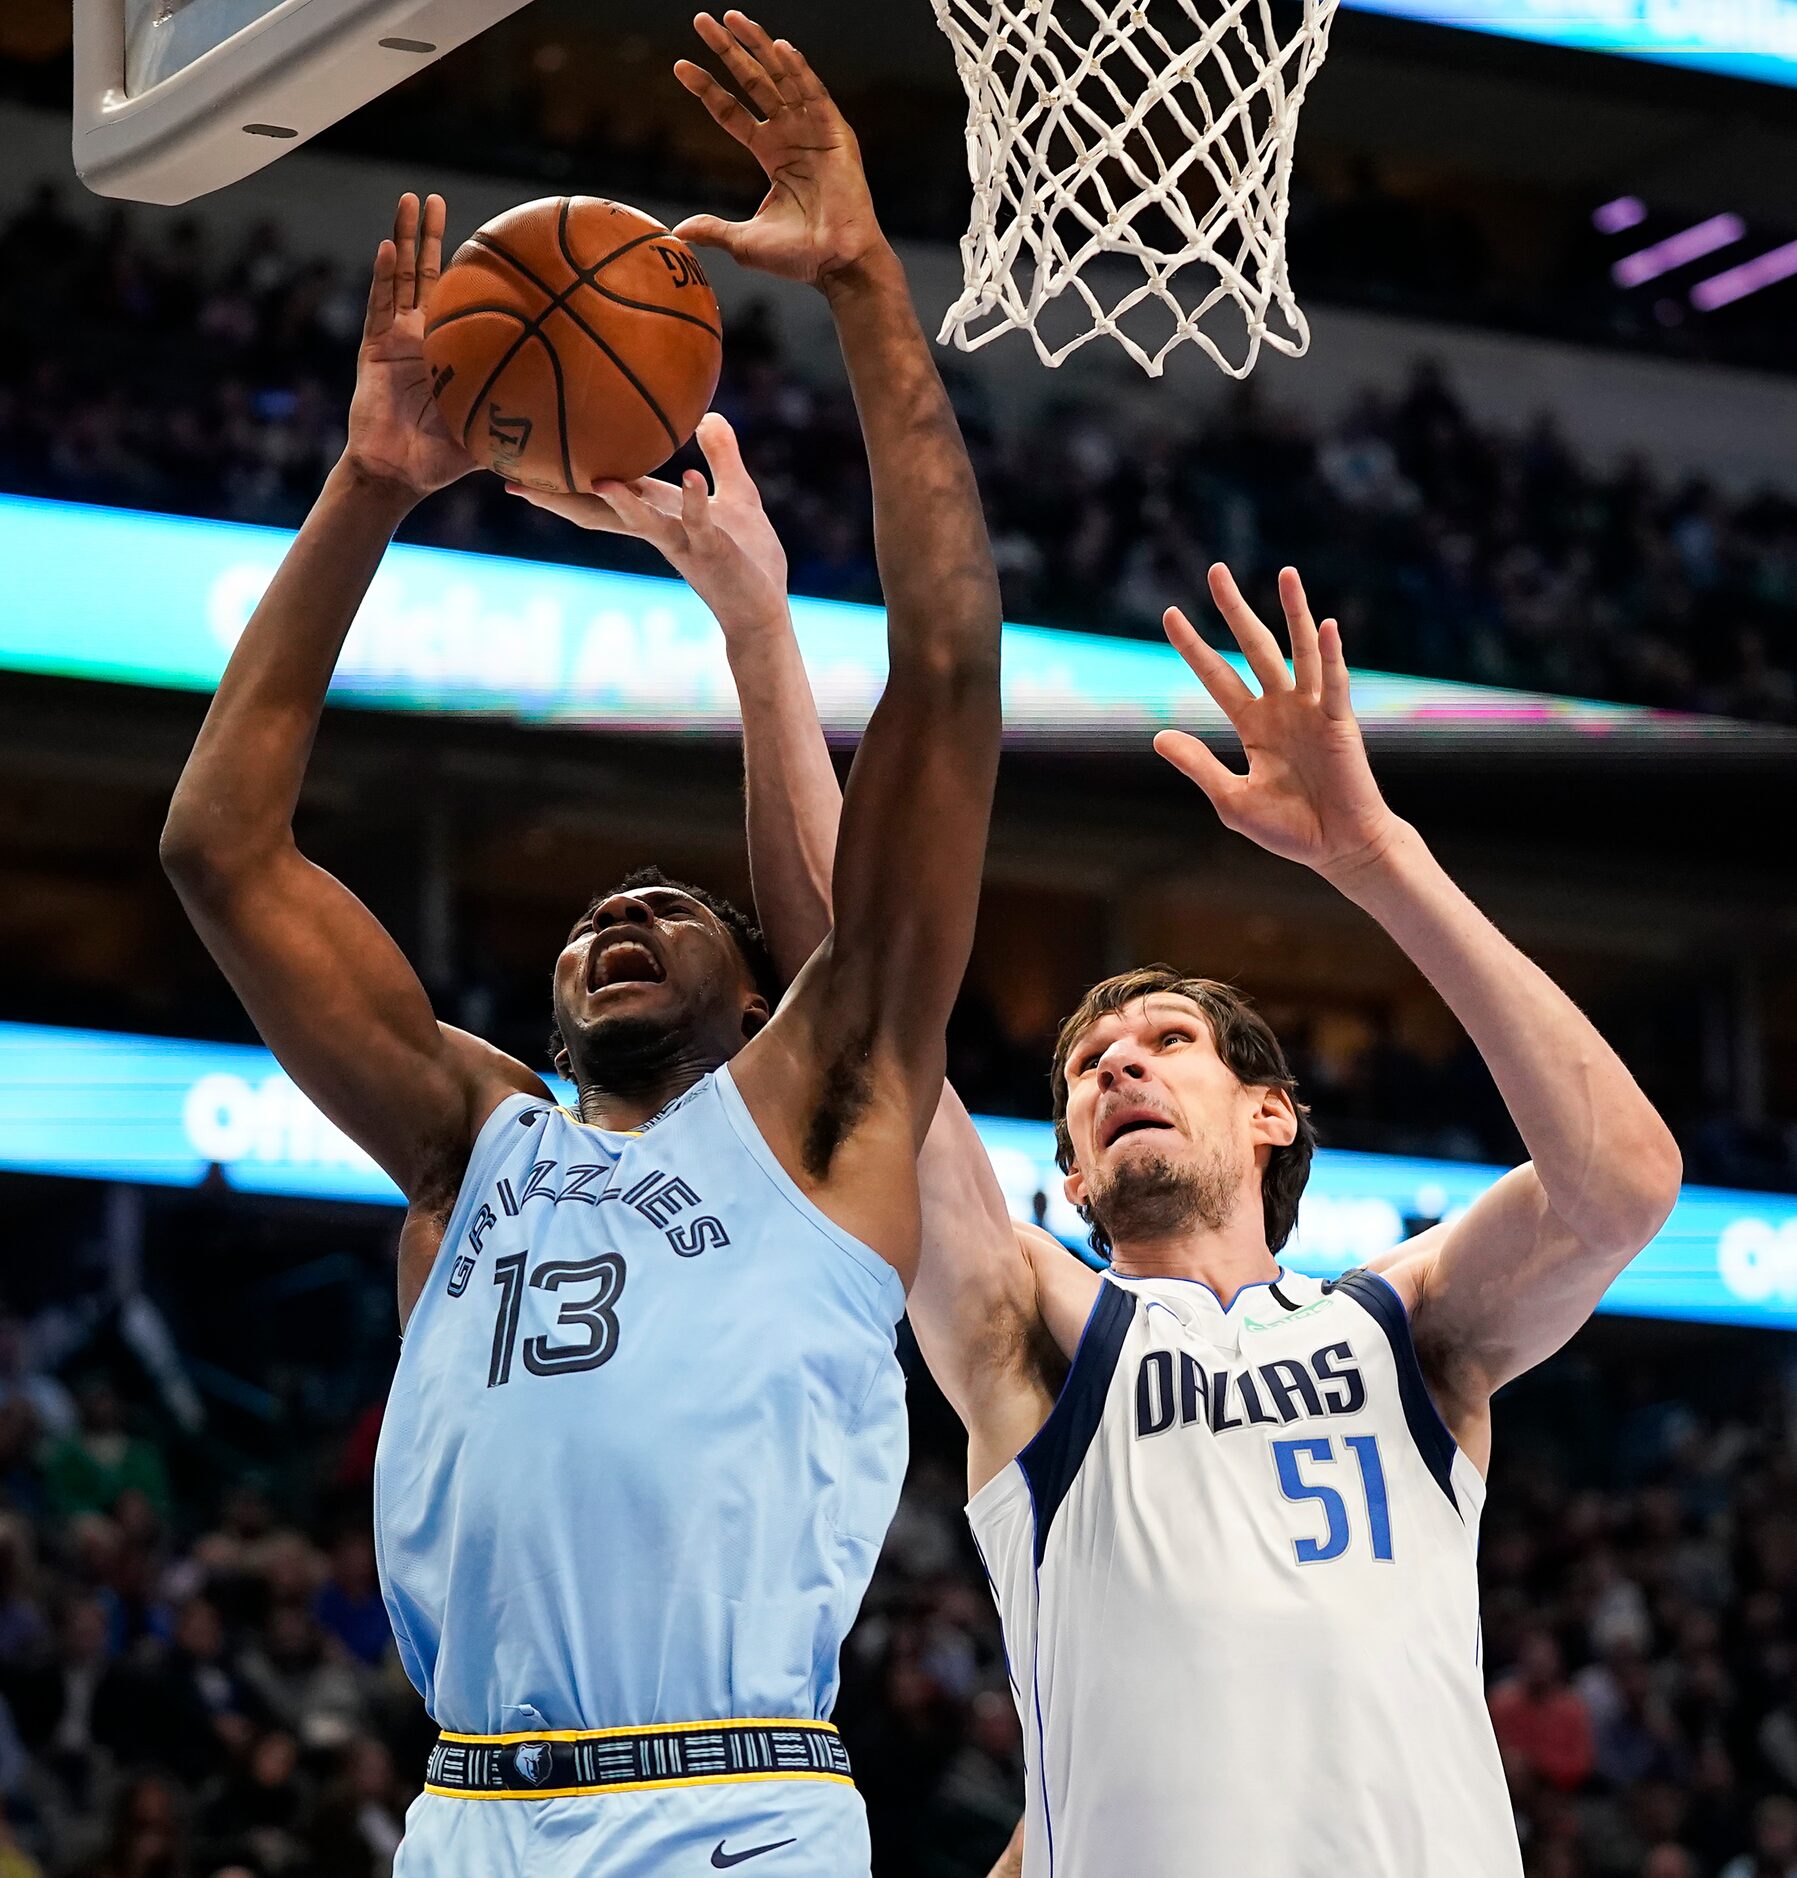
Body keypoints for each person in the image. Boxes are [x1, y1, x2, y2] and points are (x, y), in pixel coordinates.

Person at [157, 14, 1002, 1876]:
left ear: (765, 988)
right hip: (459, 1814)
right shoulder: (474, 1143)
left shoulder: (830, 1108)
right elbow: (219, 847)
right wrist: (371, 483)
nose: (616, 913)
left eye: (667, 908)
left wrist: (865, 276)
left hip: (728, 1804)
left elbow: (945, 672)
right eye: (590, 917)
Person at [605, 454, 1681, 1873]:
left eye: (1165, 1038)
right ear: (1063, 1170)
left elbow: (1619, 1181)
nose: (1116, 1062)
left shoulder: (1401, 1326)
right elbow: (854, 1010)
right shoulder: (1034, 1328)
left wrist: (1374, 855)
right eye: (1083, 1069)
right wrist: (759, 630)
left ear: (1269, 1114)